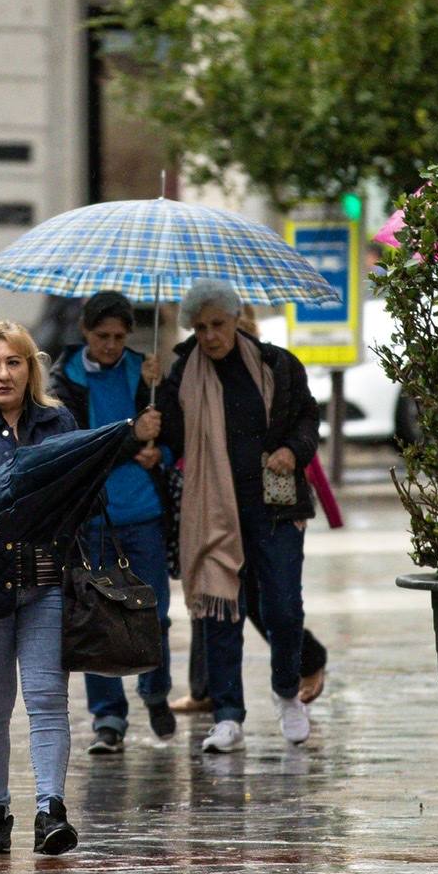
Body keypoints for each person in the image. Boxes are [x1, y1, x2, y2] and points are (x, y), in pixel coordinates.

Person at [0, 320, 157, 855]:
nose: (2, 374)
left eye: (13, 362)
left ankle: (50, 811)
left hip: (48, 580)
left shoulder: (58, 422)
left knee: (48, 700)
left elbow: (81, 488)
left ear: (31, 368)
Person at [156, 279, 320, 753]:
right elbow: (170, 432)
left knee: (284, 609)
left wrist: (293, 448)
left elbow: (307, 418)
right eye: (201, 327)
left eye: (218, 325)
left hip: (275, 506)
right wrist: (152, 394)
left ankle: (287, 690)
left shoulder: (276, 364)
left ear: (234, 320)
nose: (209, 336)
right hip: (212, 508)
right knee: (220, 610)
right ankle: (228, 715)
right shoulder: (182, 371)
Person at [48, 290, 172, 754]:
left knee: (154, 613)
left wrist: (162, 449)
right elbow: (77, 448)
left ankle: (155, 690)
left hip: (143, 512)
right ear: (85, 333)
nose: (112, 345)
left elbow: (167, 431)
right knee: (98, 618)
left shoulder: (145, 372)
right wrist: (129, 439)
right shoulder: (65, 382)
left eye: (120, 336)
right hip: (92, 516)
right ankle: (108, 716)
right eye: (103, 336)